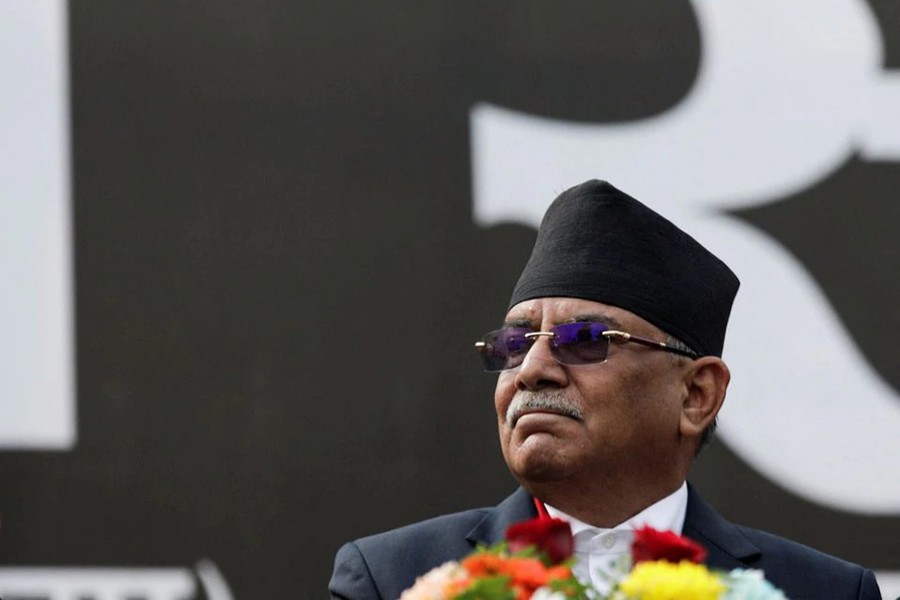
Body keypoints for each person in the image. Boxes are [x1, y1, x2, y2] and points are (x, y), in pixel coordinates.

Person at [328, 180, 882, 599]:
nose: (532, 369)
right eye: (515, 343)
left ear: (696, 395)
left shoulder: (816, 591)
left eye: (585, 338)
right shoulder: (397, 580)